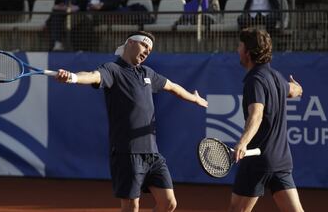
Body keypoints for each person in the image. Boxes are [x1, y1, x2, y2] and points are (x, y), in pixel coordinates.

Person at [55, 31, 208, 212]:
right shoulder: (112, 69)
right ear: (129, 43)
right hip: (127, 153)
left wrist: (194, 98)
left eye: (150, 50)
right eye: (144, 45)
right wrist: (72, 77)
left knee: (168, 204)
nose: (147, 51)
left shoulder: (148, 73)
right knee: (131, 207)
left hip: (153, 154)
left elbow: (172, 87)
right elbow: (92, 76)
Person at [229, 28, 304, 212]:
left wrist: (242, 143)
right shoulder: (277, 78)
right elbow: (294, 90)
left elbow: (256, 114)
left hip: (257, 162)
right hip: (281, 161)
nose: (237, 50)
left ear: (248, 52)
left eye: (240, 46)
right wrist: (297, 87)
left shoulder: (254, 81)